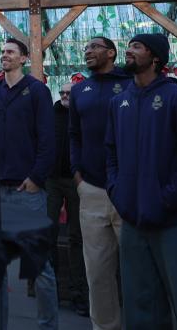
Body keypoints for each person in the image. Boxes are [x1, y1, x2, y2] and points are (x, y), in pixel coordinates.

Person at [107, 33, 177, 329]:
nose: (128, 51)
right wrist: (118, 192)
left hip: (174, 220)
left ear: (155, 57)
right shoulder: (119, 103)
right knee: (140, 305)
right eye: (128, 46)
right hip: (132, 220)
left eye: (136, 47)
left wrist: (166, 199)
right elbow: (111, 154)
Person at [0, 38, 58, 330]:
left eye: (10, 52)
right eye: (3, 51)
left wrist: (36, 178)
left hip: (27, 191)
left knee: (39, 267)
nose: (4, 55)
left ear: (23, 58)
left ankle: (48, 326)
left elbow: (48, 140)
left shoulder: (37, 91)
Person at [68, 36, 128, 330]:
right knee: (98, 272)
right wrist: (78, 175)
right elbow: (74, 136)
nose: (87, 50)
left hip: (129, 191)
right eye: (86, 47)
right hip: (91, 189)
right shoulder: (80, 90)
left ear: (111, 53)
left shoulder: (132, 83)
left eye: (94, 46)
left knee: (139, 268)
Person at [47, 82, 89, 317]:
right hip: (52, 180)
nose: (64, 96)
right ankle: (50, 289)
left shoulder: (82, 115)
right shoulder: (51, 115)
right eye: (62, 93)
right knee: (49, 233)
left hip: (75, 180)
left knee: (77, 237)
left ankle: (78, 293)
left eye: (68, 93)